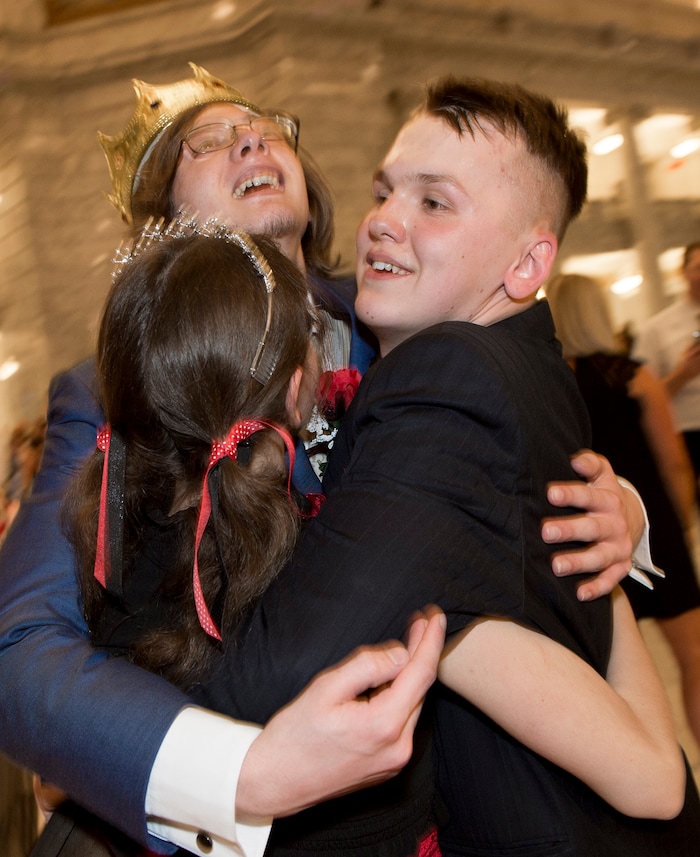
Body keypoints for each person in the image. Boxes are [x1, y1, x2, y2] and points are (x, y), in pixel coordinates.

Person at [0, 64, 650, 855]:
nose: (250, 136)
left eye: (266, 125)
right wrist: (220, 769)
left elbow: (507, 445)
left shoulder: (406, 320)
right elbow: (24, 646)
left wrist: (628, 514)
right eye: (205, 143)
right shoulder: (113, 386)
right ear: (160, 225)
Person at [193, 77, 700, 855]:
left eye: (435, 203)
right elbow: (655, 775)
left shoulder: (445, 374)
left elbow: (283, 669)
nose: (384, 223)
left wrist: (123, 743)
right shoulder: (527, 358)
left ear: (529, 263)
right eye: (385, 191)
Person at [547, 271, 700, 746]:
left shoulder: (551, 387)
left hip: (591, 536)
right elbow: (671, 461)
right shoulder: (635, 378)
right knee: (695, 658)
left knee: (618, 673)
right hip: (653, 529)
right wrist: (684, 521)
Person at [633, 241, 700, 489]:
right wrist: (684, 374)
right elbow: (642, 400)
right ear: (683, 272)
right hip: (685, 435)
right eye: (698, 267)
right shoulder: (657, 329)